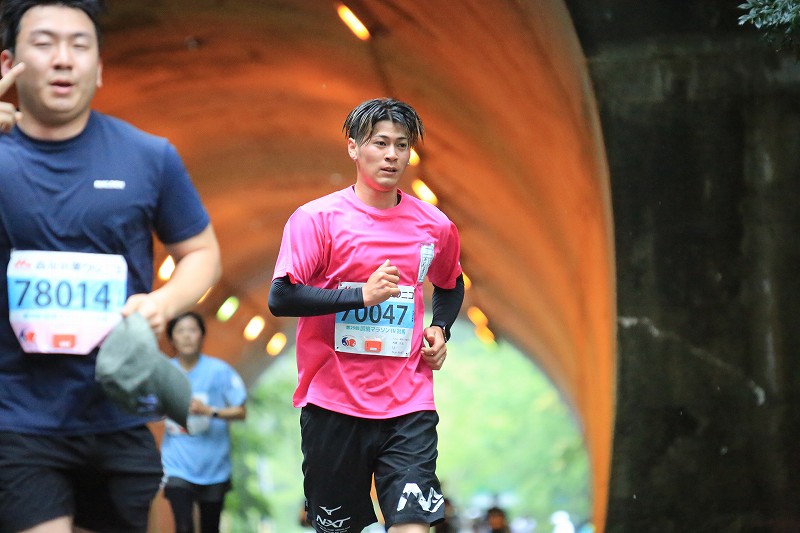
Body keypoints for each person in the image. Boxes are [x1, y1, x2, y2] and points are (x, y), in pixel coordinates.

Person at [0, 1, 222, 532]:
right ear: (8, 63)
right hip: (15, 416)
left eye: (79, 46)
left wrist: (162, 303)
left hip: (119, 410)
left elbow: (203, 253)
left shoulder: (148, 157)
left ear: (99, 68)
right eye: (44, 43)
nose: (62, 59)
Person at [268, 97, 465, 533]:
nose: (392, 155)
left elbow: (451, 284)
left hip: (408, 404)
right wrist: (361, 295)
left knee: (413, 525)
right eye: (380, 143)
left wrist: (440, 328)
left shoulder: (434, 225)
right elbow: (281, 297)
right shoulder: (316, 219)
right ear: (354, 148)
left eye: (402, 145)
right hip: (333, 404)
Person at [161, 312, 247, 533]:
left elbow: (241, 411)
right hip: (176, 466)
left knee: (210, 527)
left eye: (192, 330)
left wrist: (209, 411)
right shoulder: (163, 372)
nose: (186, 336)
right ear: (171, 339)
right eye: (180, 331)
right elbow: (145, 407)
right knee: (183, 526)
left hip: (214, 467)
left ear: (202, 335)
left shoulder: (219, 371)